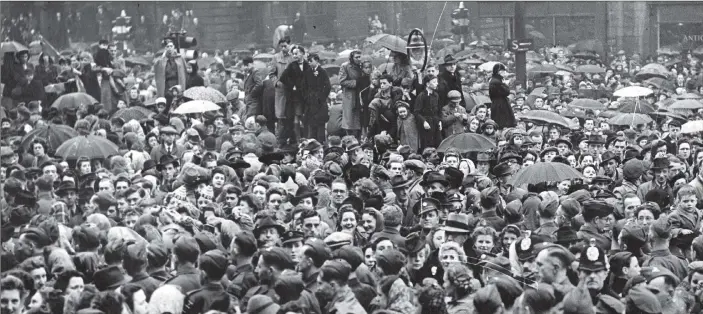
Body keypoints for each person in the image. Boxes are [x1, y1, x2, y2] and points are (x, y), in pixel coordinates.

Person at [303, 53, 331, 143]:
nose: (309, 63)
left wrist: (321, 98)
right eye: (308, 61)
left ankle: (321, 145)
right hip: (310, 102)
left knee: (320, 126)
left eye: (311, 61)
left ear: (317, 60)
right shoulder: (307, 72)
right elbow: (303, 86)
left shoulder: (323, 72)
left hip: (320, 104)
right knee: (311, 126)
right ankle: (312, 145)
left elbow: (328, 86)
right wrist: (307, 98)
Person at [339, 50, 363, 137]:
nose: (359, 59)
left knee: (359, 120)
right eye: (356, 57)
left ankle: (359, 139)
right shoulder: (345, 66)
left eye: (360, 57)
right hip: (350, 95)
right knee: (349, 120)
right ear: (352, 58)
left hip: (360, 94)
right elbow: (342, 81)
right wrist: (355, 83)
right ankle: (349, 139)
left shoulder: (362, 66)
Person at [488, 63, 515, 128]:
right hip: (500, 106)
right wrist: (505, 84)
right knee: (502, 124)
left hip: (497, 104)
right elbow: (506, 92)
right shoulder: (497, 82)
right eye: (503, 71)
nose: (504, 73)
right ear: (499, 72)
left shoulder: (494, 80)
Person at [241, 56, 263, 120]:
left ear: (249, 64)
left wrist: (251, 94)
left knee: (251, 119)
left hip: (253, 101)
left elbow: (259, 84)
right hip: (249, 101)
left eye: (246, 65)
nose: (245, 67)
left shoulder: (255, 72)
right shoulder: (248, 73)